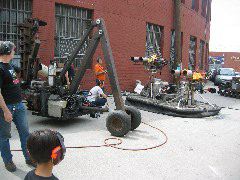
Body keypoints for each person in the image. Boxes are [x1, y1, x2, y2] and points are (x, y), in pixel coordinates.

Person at [0, 41, 35, 172]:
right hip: (7, 107)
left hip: (19, 105)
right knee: (4, 136)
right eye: (13, 50)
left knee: (25, 133)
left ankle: (29, 157)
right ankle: (8, 161)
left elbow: (21, 71)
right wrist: (5, 111)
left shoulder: (10, 66)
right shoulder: (0, 68)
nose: (14, 52)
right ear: (8, 52)